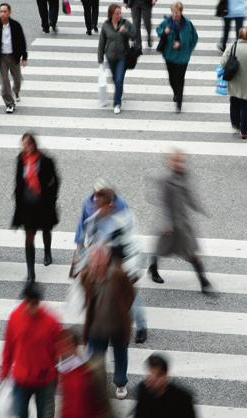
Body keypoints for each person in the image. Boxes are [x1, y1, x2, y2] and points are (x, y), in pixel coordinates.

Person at [73, 178, 147, 344]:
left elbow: (133, 243)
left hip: (122, 265)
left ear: (110, 204)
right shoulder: (92, 213)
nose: (95, 207)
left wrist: (134, 270)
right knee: (99, 297)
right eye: (95, 203)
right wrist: (80, 255)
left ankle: (141, 326)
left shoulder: (124, 216)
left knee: (131, 297)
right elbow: (85, 231)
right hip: (101, 267)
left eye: (99, 204)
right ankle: (101, 327)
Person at [148, 151, 212, 294]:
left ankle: (204, 282)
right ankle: (153, 268)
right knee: (161, 249)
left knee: (192, 252)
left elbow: (189, 195)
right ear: (169, 163)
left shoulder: (184, 176)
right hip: (168, 225)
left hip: (183, 223)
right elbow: (163, 203)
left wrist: (198, 207)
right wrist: (166, 223)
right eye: (176, 162)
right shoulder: (165, 180)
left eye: (181, 161)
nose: (179, 164)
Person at [0, 282, 62, 418]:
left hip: (45, 380)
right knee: (20, 414)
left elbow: (58, 351)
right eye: (27, 302)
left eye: (34, 303)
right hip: (21, 379)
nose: (30, 306)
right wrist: (5, 372)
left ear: (38, 302)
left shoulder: (51, 322)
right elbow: (8, 347)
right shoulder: (15, 318)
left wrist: (56, 374)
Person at [82, 245, 135, 400]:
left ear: (106, 260)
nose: (95, 265)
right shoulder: (88, 277)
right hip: (97, 325)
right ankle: (99, 387)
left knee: (120, 354)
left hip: (117, 325)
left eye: (98, 261)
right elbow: (85, 291)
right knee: (96, 358)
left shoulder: (118, 275)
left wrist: (123, 310)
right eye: (93, 261)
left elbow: (130, 294)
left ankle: (120, 383)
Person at [12, 133, 60, 281]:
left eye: (28, 144)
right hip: (27, 206)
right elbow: (18, 180)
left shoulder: (45, 160)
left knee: (46, 229)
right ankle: (31, 272)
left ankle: (47, 251)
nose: (26, 148)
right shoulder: (21, 160)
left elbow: (56, 180)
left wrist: (51, 197)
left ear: (34, 144)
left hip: (43, 204)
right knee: (29, 237)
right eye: (24, 145)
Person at [57, 328, 115, 418]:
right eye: (60, 346)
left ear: (74, 346)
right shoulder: (64, 371)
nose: (62, 350)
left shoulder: (88, 372)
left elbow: (104, 405)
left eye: (66, 345)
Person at [221, 27, 247, 139]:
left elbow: (222, 62)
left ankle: (235, 125)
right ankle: (244, 131)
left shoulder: (232, 46)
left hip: (234, 81)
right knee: (246, 106)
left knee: (234, 103)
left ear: (239, 36)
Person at [156, 2, 198, 113]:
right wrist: (164, 32)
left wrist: (187, 48)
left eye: (177, 12)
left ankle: (179, 102)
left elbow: (194, 37)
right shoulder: (167, 22)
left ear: (181, 11)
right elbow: (158, 30)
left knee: (180, 78)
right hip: (169, 55)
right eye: (173, 12)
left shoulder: (188, 24)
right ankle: (176, 92)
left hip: (183, 57)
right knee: (171, 77)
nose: (174, 14)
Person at [98, 3, 136, 114]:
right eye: (117, 13)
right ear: (111, 14)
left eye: (120, 13)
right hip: (110, 57)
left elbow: (134, 35)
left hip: (122, 57)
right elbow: (101, 43)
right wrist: (100, 60)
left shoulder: (125, 23)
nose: (119, 15)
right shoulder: (106, 25)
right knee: (115, 80)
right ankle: (120, 91)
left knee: (119, 80)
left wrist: (126, 32)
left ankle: (117, 103)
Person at [134, 353, 196, 418]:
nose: (152, 380)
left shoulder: (182, 398)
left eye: (157, 376)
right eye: (150, 375)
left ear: (165, 376)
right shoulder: (143, 391)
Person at [0, 3, 27, 114]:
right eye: (1, 11)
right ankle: (9, 103)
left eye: (5, 11)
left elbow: (22, 41)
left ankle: (16, 91)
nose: (2, 13)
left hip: (14, 57)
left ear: (9, 12)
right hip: (1, 58)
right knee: (4, 82)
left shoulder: (15, 25)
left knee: (17, 79)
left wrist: (24, 57)